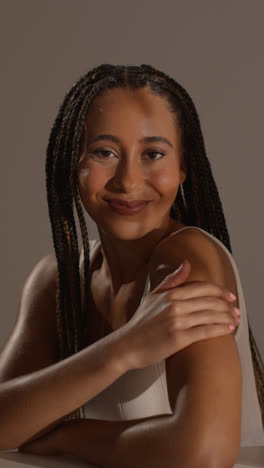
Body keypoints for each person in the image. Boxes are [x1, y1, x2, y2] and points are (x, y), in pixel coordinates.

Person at [0, 64, 263, 467]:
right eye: (104, 152)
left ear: (184, 167)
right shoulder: (57, 278)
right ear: (73, 163)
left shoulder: (187, 259)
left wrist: (65, 436)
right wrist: (123, 349)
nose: (128, 180)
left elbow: (205, 453)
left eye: (153, 154)